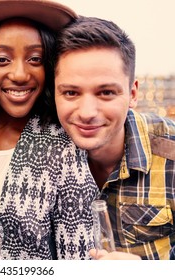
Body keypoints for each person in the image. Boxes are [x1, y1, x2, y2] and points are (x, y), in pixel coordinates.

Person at [0, 0, 98, 260]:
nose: (18, 74)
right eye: (2, 59)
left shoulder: (64, 148)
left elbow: (80, 261)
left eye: (35, 59)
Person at [54, 16, 175, 260]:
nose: (87, 112)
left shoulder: (171, 152)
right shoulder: (39, 153)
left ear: (132, 94)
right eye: (71, 92)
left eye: (106, 92)